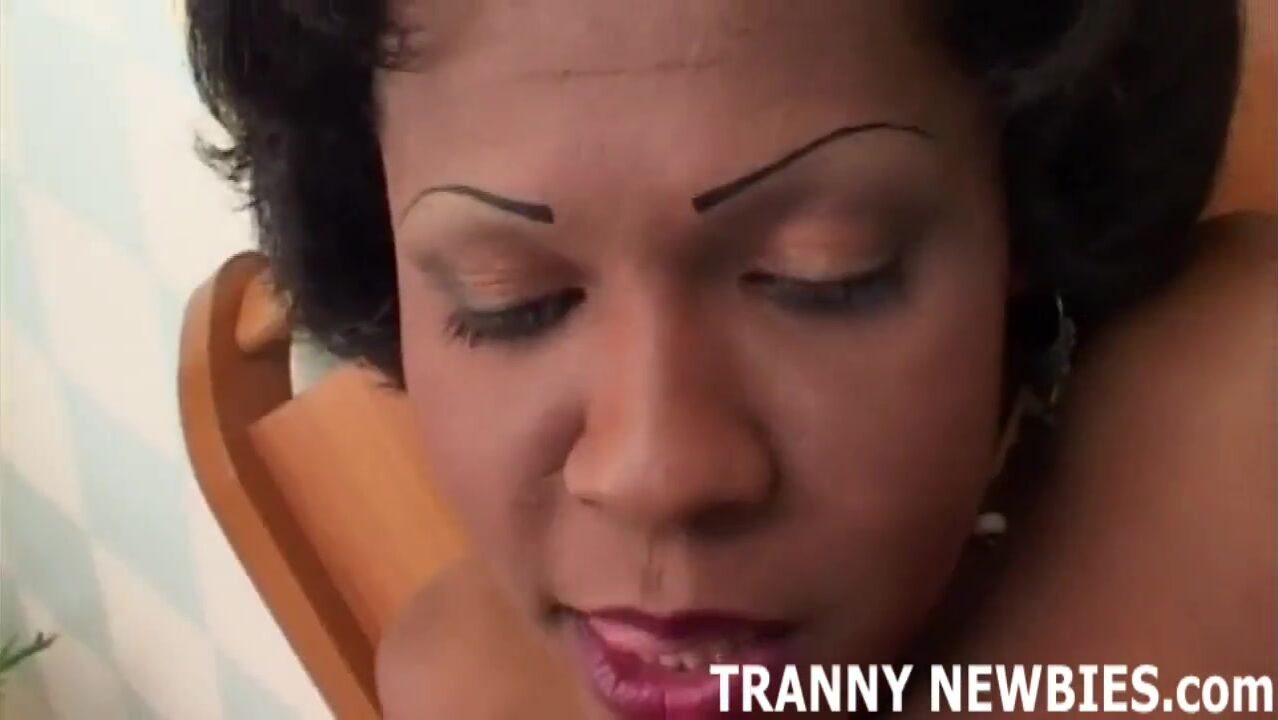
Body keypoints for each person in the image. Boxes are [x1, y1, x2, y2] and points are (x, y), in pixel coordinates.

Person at [186, 1, 1275, 717]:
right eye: (509, 302)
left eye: (823, 274)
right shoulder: (454, 689)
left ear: (1023, 215)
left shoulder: (1235, 463)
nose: (655, 471)